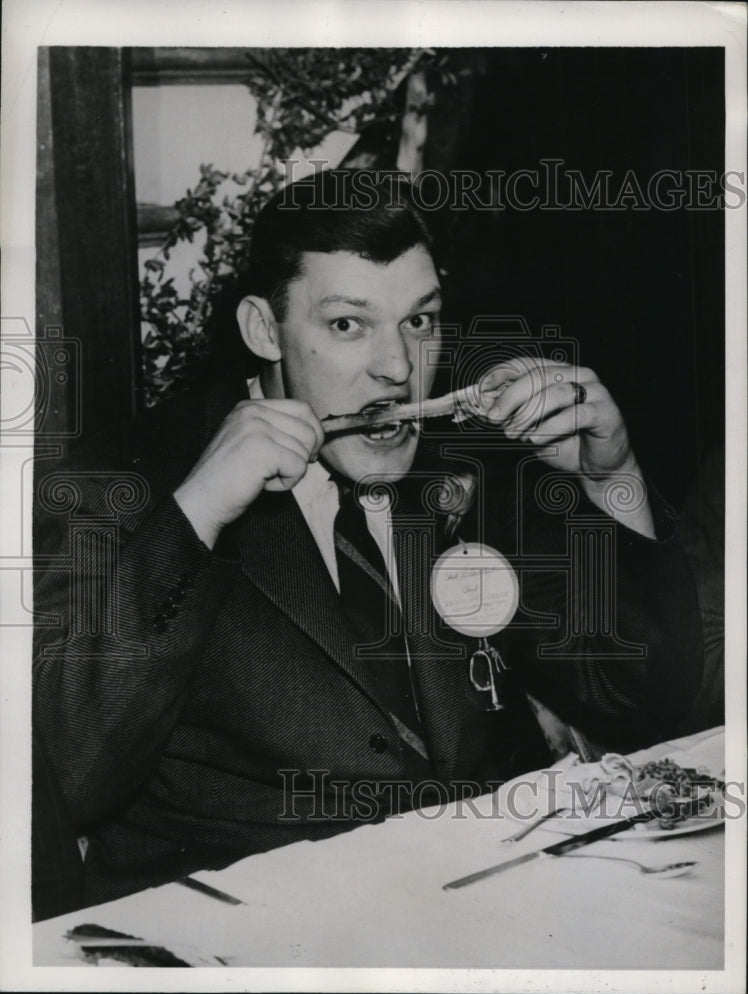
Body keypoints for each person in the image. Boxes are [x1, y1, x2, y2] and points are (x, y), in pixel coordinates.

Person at [33, 170, 703, 912]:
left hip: (498, 915)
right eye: (348, 324)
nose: (397, 367)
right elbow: (67, 780)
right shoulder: (121, 481)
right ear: (264, 329)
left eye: (419, 321)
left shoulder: (473, 463)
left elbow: (641, 702)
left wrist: (614, 479)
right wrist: (197, 514)